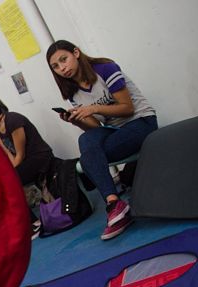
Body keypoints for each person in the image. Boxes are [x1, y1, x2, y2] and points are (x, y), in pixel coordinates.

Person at [46, 39, 158, 240]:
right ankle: (114, 202)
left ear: (76, 53)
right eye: (55, 66)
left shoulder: (106, 69)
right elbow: (96, 127)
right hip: (115, 131)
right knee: (86, 140)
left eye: (64, 60)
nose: (62, 68)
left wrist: (94, 108)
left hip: (141, 122)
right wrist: (76, 120)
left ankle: (116, 207)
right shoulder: (73, 93)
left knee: (90, 159)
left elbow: (127, 108)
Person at [0, 97, 56, 237]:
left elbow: (20, 155)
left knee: (6, 183)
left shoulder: (13, 120)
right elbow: (10, 155)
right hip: (25, 163)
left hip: (39, 158)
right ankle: (31, 223)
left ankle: (33, 224)